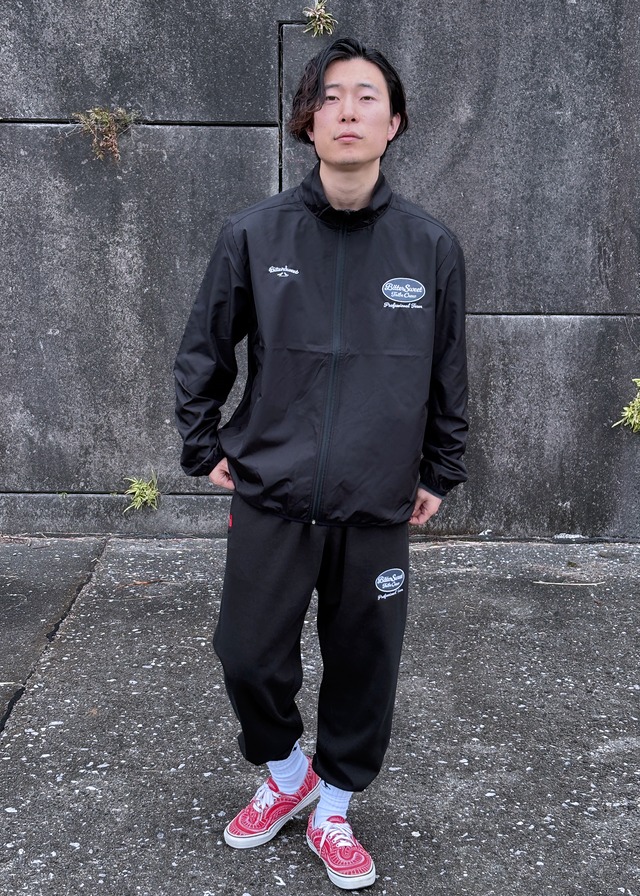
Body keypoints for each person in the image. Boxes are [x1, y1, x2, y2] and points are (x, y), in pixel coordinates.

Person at [174, 36, 468, 891]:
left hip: (377, 500)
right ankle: (287, 775)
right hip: (273, 492)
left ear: (394, 122)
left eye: (367, 96)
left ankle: (333, 806)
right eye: (331, 96)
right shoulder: (253, 233)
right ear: (308, 121)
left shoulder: (430, 247)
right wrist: (203, 444)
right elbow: (203, 351)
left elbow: (449, 371)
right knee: (246, 655)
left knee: (364, 665)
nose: (348, 110)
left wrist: (439, 470)